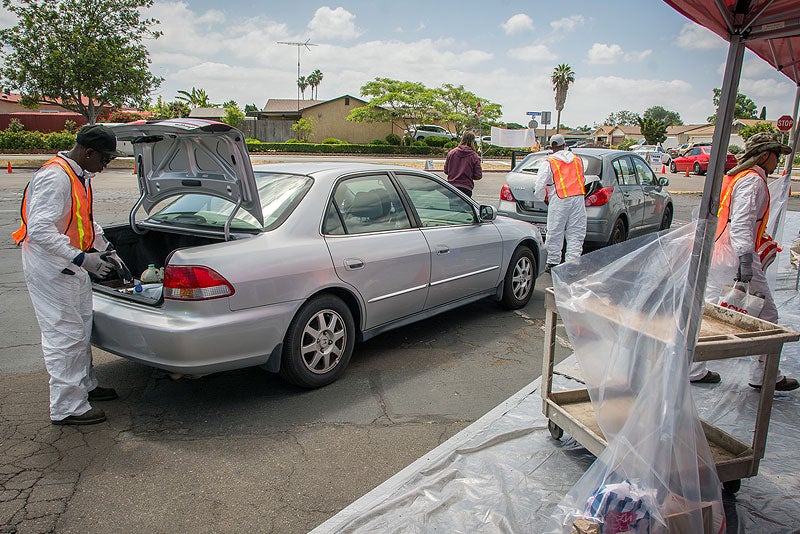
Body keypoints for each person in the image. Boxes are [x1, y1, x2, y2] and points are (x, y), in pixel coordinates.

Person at [12, 124, 125, 424]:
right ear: (88, 153)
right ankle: (67, 407)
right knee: (64, 335)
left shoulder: (79, 175)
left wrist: (108, 249)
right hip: (51, 266)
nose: (104, 167)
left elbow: (86, 222)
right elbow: (39, 230)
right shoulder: (56, 177)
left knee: (80, 328)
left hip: (69, 264)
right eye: (104, 160)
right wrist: (82, 258)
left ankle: (84, 388)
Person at [689, 131, 798, 390]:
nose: (777, 162)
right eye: (776, 156)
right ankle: (764, 375)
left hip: (720, 252)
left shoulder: (739, 176)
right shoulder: (752, 181)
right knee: (768, 313)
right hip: (735, 255)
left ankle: (693, 366)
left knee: (710, 308)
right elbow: (741, 224)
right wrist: (746, 260)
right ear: (764, 155)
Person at [533, 134, 590, 273]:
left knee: (555, 231)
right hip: (577, 198)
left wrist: (542, 198)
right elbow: (582, 179)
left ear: (552, 147)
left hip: (560, 198)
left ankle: (552, 262)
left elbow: (540, 185)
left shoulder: (549, 162)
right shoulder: (577, 159)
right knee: (576, 232)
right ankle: (572, 262)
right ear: (565, 145)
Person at [444, 131, 482, 197]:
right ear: (473, 141)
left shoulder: (451, 153)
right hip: (466, 188)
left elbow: (446, 171)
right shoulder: (474, 156)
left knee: (453, 207)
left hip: (452, 187)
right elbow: (478, 175)